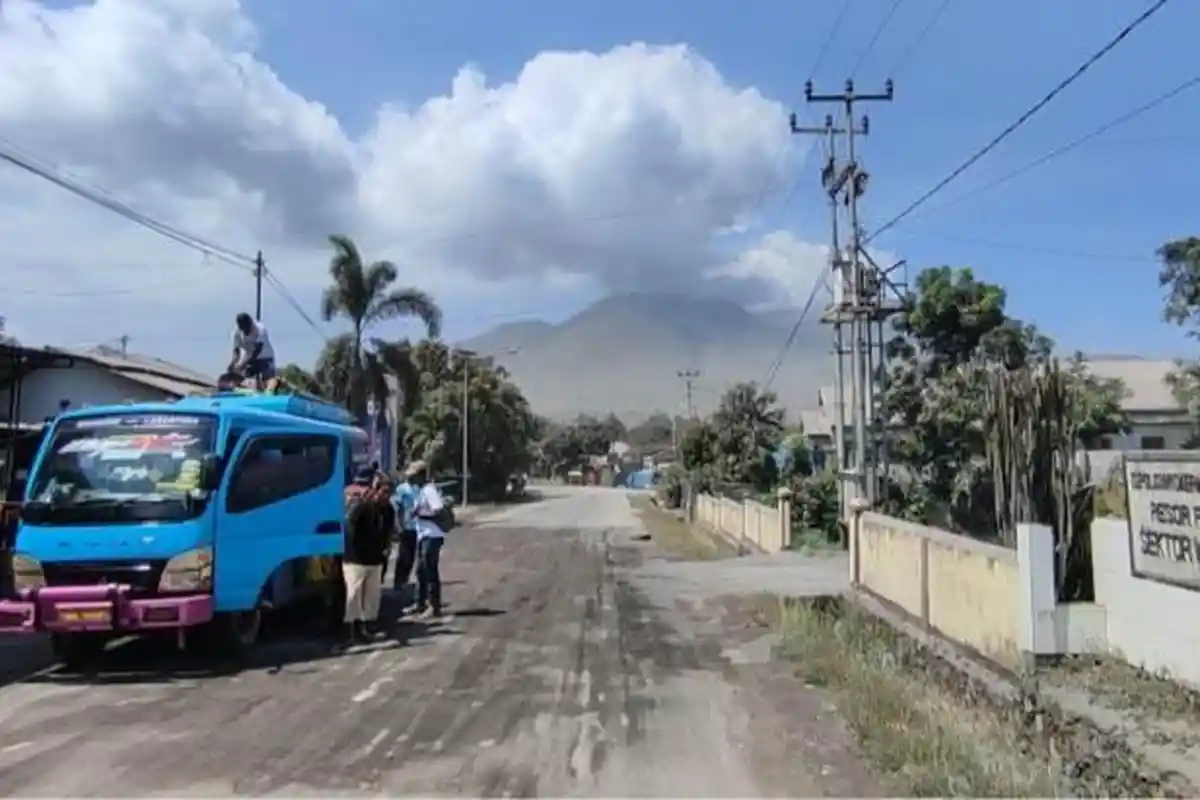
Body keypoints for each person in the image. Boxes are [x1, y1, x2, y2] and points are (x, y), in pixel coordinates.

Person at [340, 470, 391, 645]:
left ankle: (368, 629)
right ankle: (351, 633)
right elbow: (350, 527)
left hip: (375, 560)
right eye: (383, 491)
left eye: (388, 492)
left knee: (372, 598)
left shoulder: (387, 510)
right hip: (355, 560)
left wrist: (384, 551)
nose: (386, 496)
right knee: (354, 596)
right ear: (374, 490)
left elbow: (387, 533)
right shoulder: (361, 507)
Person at [408, 461, 447, 618]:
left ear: (421, 475)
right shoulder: (422, 491)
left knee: (430, 570)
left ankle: (434, 606)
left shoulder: (429, 490)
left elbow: (438, 510)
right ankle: (420, 603)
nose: (410, 479)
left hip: (432, 535)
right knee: (420, 571)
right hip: (423, 535)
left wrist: (421, 515)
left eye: (413, 476)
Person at [227, 312, 278, 392]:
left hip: (265, 356)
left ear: (251, 323)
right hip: (249, 357)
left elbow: (257, 350)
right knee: (246, 378)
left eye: (248, 328)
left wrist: (242, 364)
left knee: (267, 377)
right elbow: (236, 351)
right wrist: (233, 363)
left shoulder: (260, 329)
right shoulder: (236, 333)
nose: (247, 331)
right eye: (244, 330)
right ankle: (252, 391)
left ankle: (269, 392)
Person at [391, 464, 420, 600]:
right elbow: (398, 508)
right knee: (404, 556)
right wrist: (398, 525)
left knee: (414, 556)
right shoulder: (402, 489)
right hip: (406, 526)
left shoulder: (420, 488)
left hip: (419, 527)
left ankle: (406, 580)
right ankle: (399, 582)